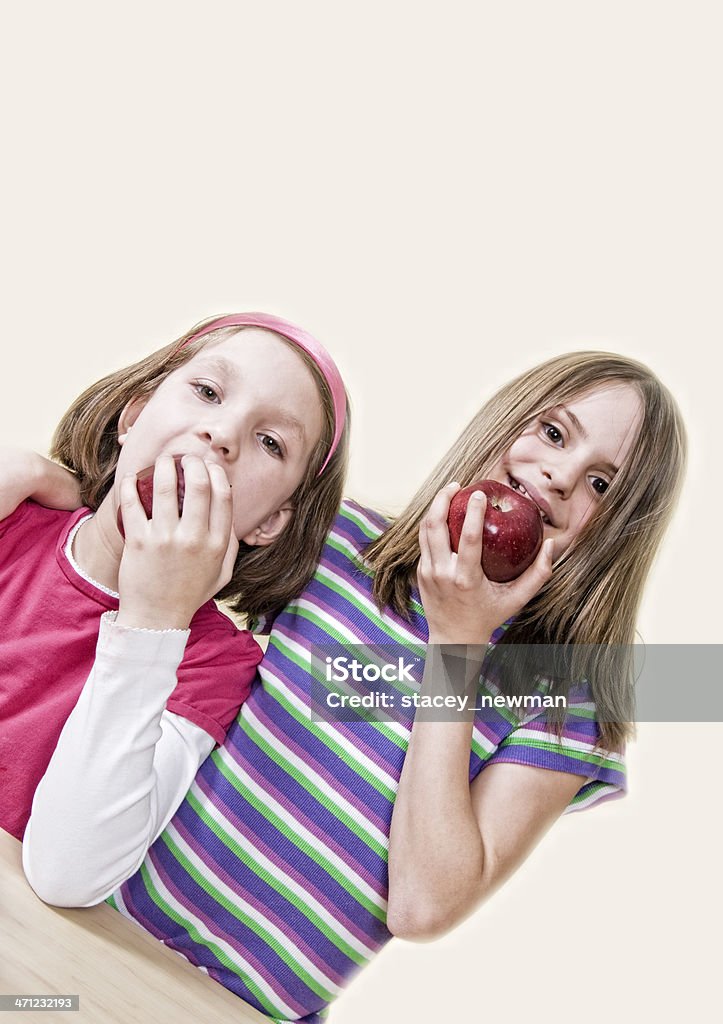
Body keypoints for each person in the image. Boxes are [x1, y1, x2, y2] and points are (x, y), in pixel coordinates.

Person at [19, 351, 686, 1024]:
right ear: (505, 421)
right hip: (99, 923)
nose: (561, 476)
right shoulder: (341, 545)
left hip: (240, 1008)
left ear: (616, 531)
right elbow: (159, 535)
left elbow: (422, 905)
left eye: (602, 484)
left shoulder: (566, 699)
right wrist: (60, 479)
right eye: (552, 433)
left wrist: (456, 647)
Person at [0, 312, 349, 911]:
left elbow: (68, 873)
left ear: (268, 522)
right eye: (208, 392)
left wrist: (154, 618)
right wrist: (23, 471)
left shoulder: (212, 664)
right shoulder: (12, 517)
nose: (223, 435)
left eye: (271, 443)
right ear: (133, 417)